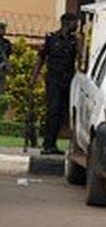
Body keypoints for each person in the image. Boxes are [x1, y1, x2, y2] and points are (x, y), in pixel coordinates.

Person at [30, 13, 79, 155]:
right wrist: (34, 78)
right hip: (53, 80)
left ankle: (53, 144)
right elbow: (41, 58)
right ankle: (47, 144)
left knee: (62, 113)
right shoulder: (51, 39)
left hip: (68, 81)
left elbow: (81, 59)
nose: (77, 25)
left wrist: (80, 44)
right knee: (52, 111)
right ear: (66, 22)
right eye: (75, 22)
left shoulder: (74, 41)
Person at [0, 20, 12, 95]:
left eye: (3, 28)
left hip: (2, 70)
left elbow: (8, 56)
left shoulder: (6, 43)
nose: (2, 30)